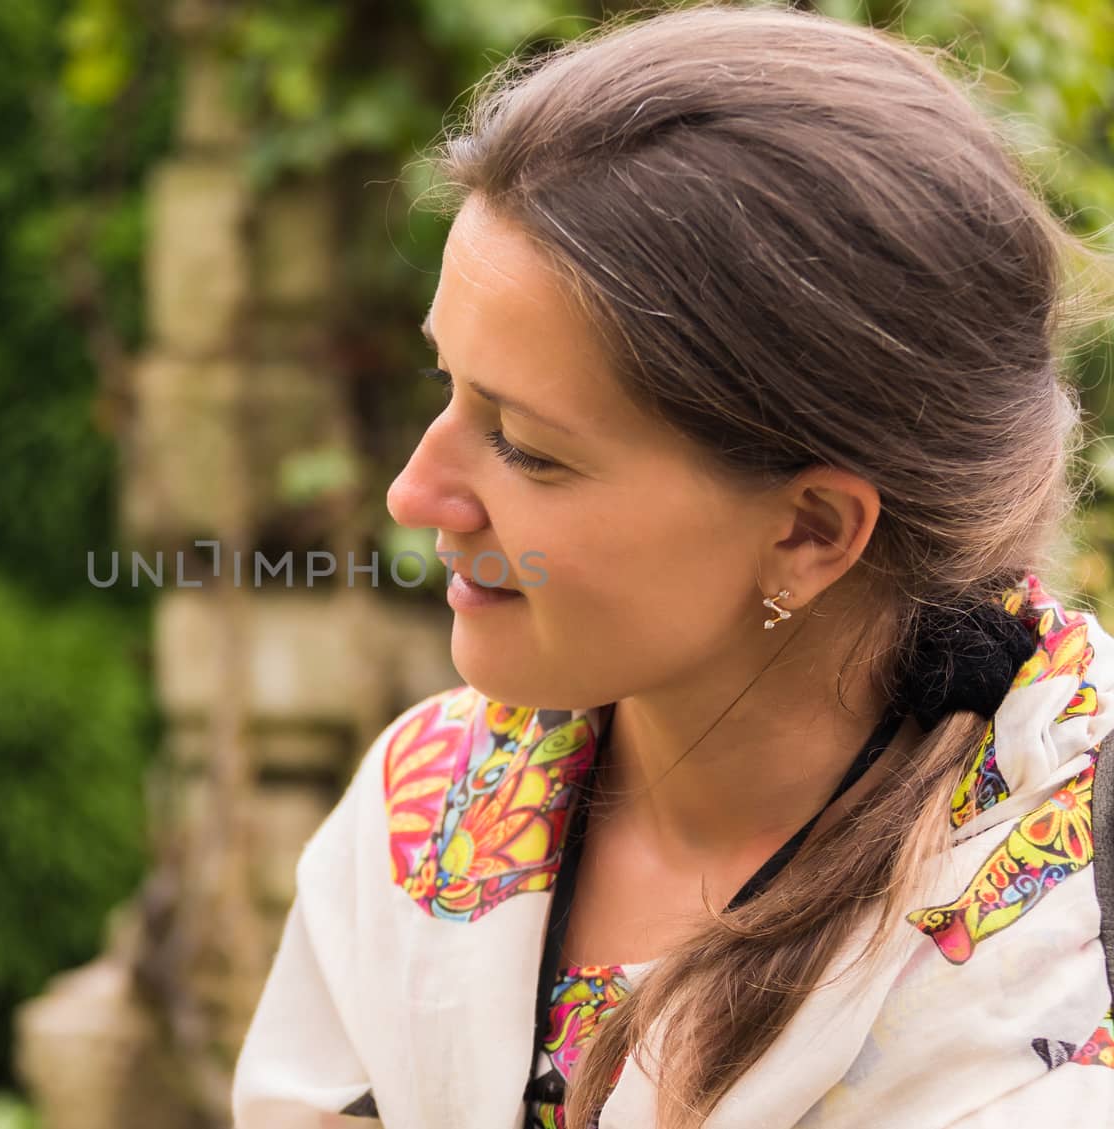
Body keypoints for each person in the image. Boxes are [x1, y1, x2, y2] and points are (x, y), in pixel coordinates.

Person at [230, 4, 1114, 1128]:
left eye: (528, 448)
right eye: (443, 385)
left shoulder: (1061, 958)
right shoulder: (429, 807)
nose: (415, 493)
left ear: (809, 531)